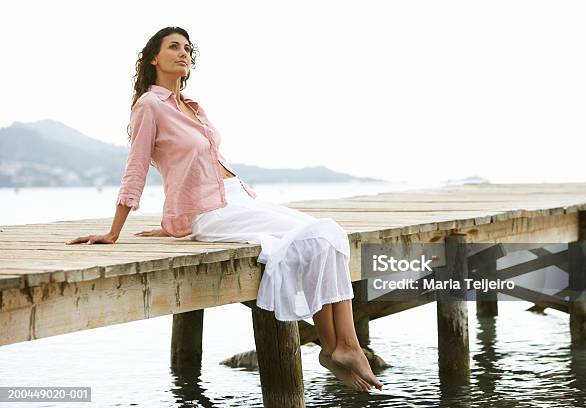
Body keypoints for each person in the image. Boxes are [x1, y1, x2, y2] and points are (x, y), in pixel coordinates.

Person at [66, 26, 383, 392]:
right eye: (174, 47)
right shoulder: (149, 106)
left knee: (329, 236)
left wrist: (172, 224)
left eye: (187, 48)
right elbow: (136, 168)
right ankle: (346, 346)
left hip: (239, 198)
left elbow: (198, 166)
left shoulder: (194, 107)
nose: (183, 53)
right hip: (212, 211)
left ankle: (336, 347)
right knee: (322, 234)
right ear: (154, 57)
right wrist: (113, 231)